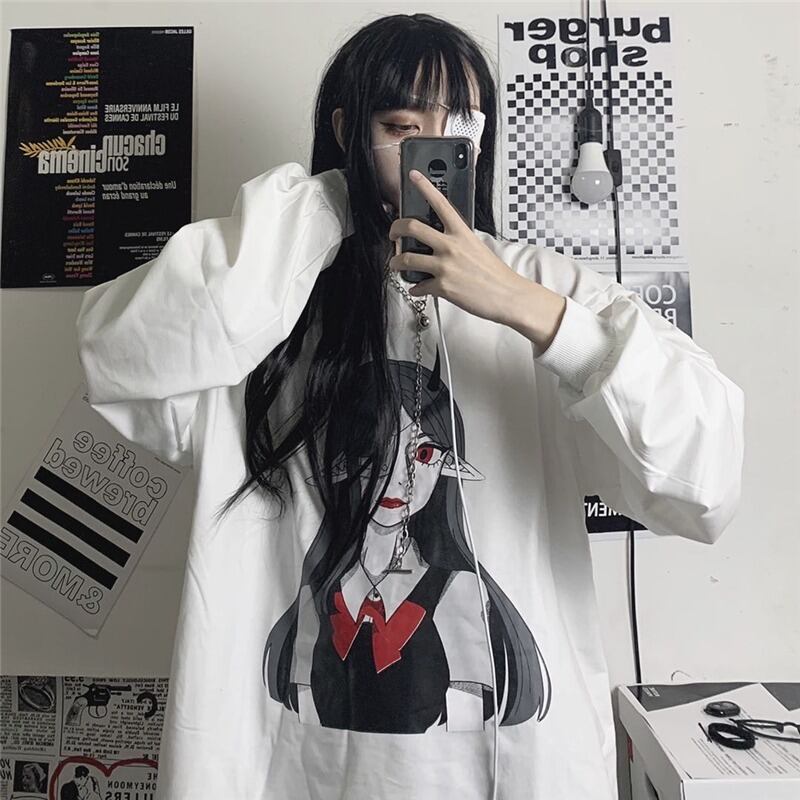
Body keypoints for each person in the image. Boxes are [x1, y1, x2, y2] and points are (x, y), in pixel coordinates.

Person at [75, 12, 744, 800]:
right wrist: (327, 207)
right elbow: (119, 356)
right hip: (281, 772)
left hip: (511, 773)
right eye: (402, 127)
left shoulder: (545, 287)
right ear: (349, 132)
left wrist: (528, 309)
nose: (434, 151)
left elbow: (703, 481)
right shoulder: (269, 292)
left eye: (461, 127)